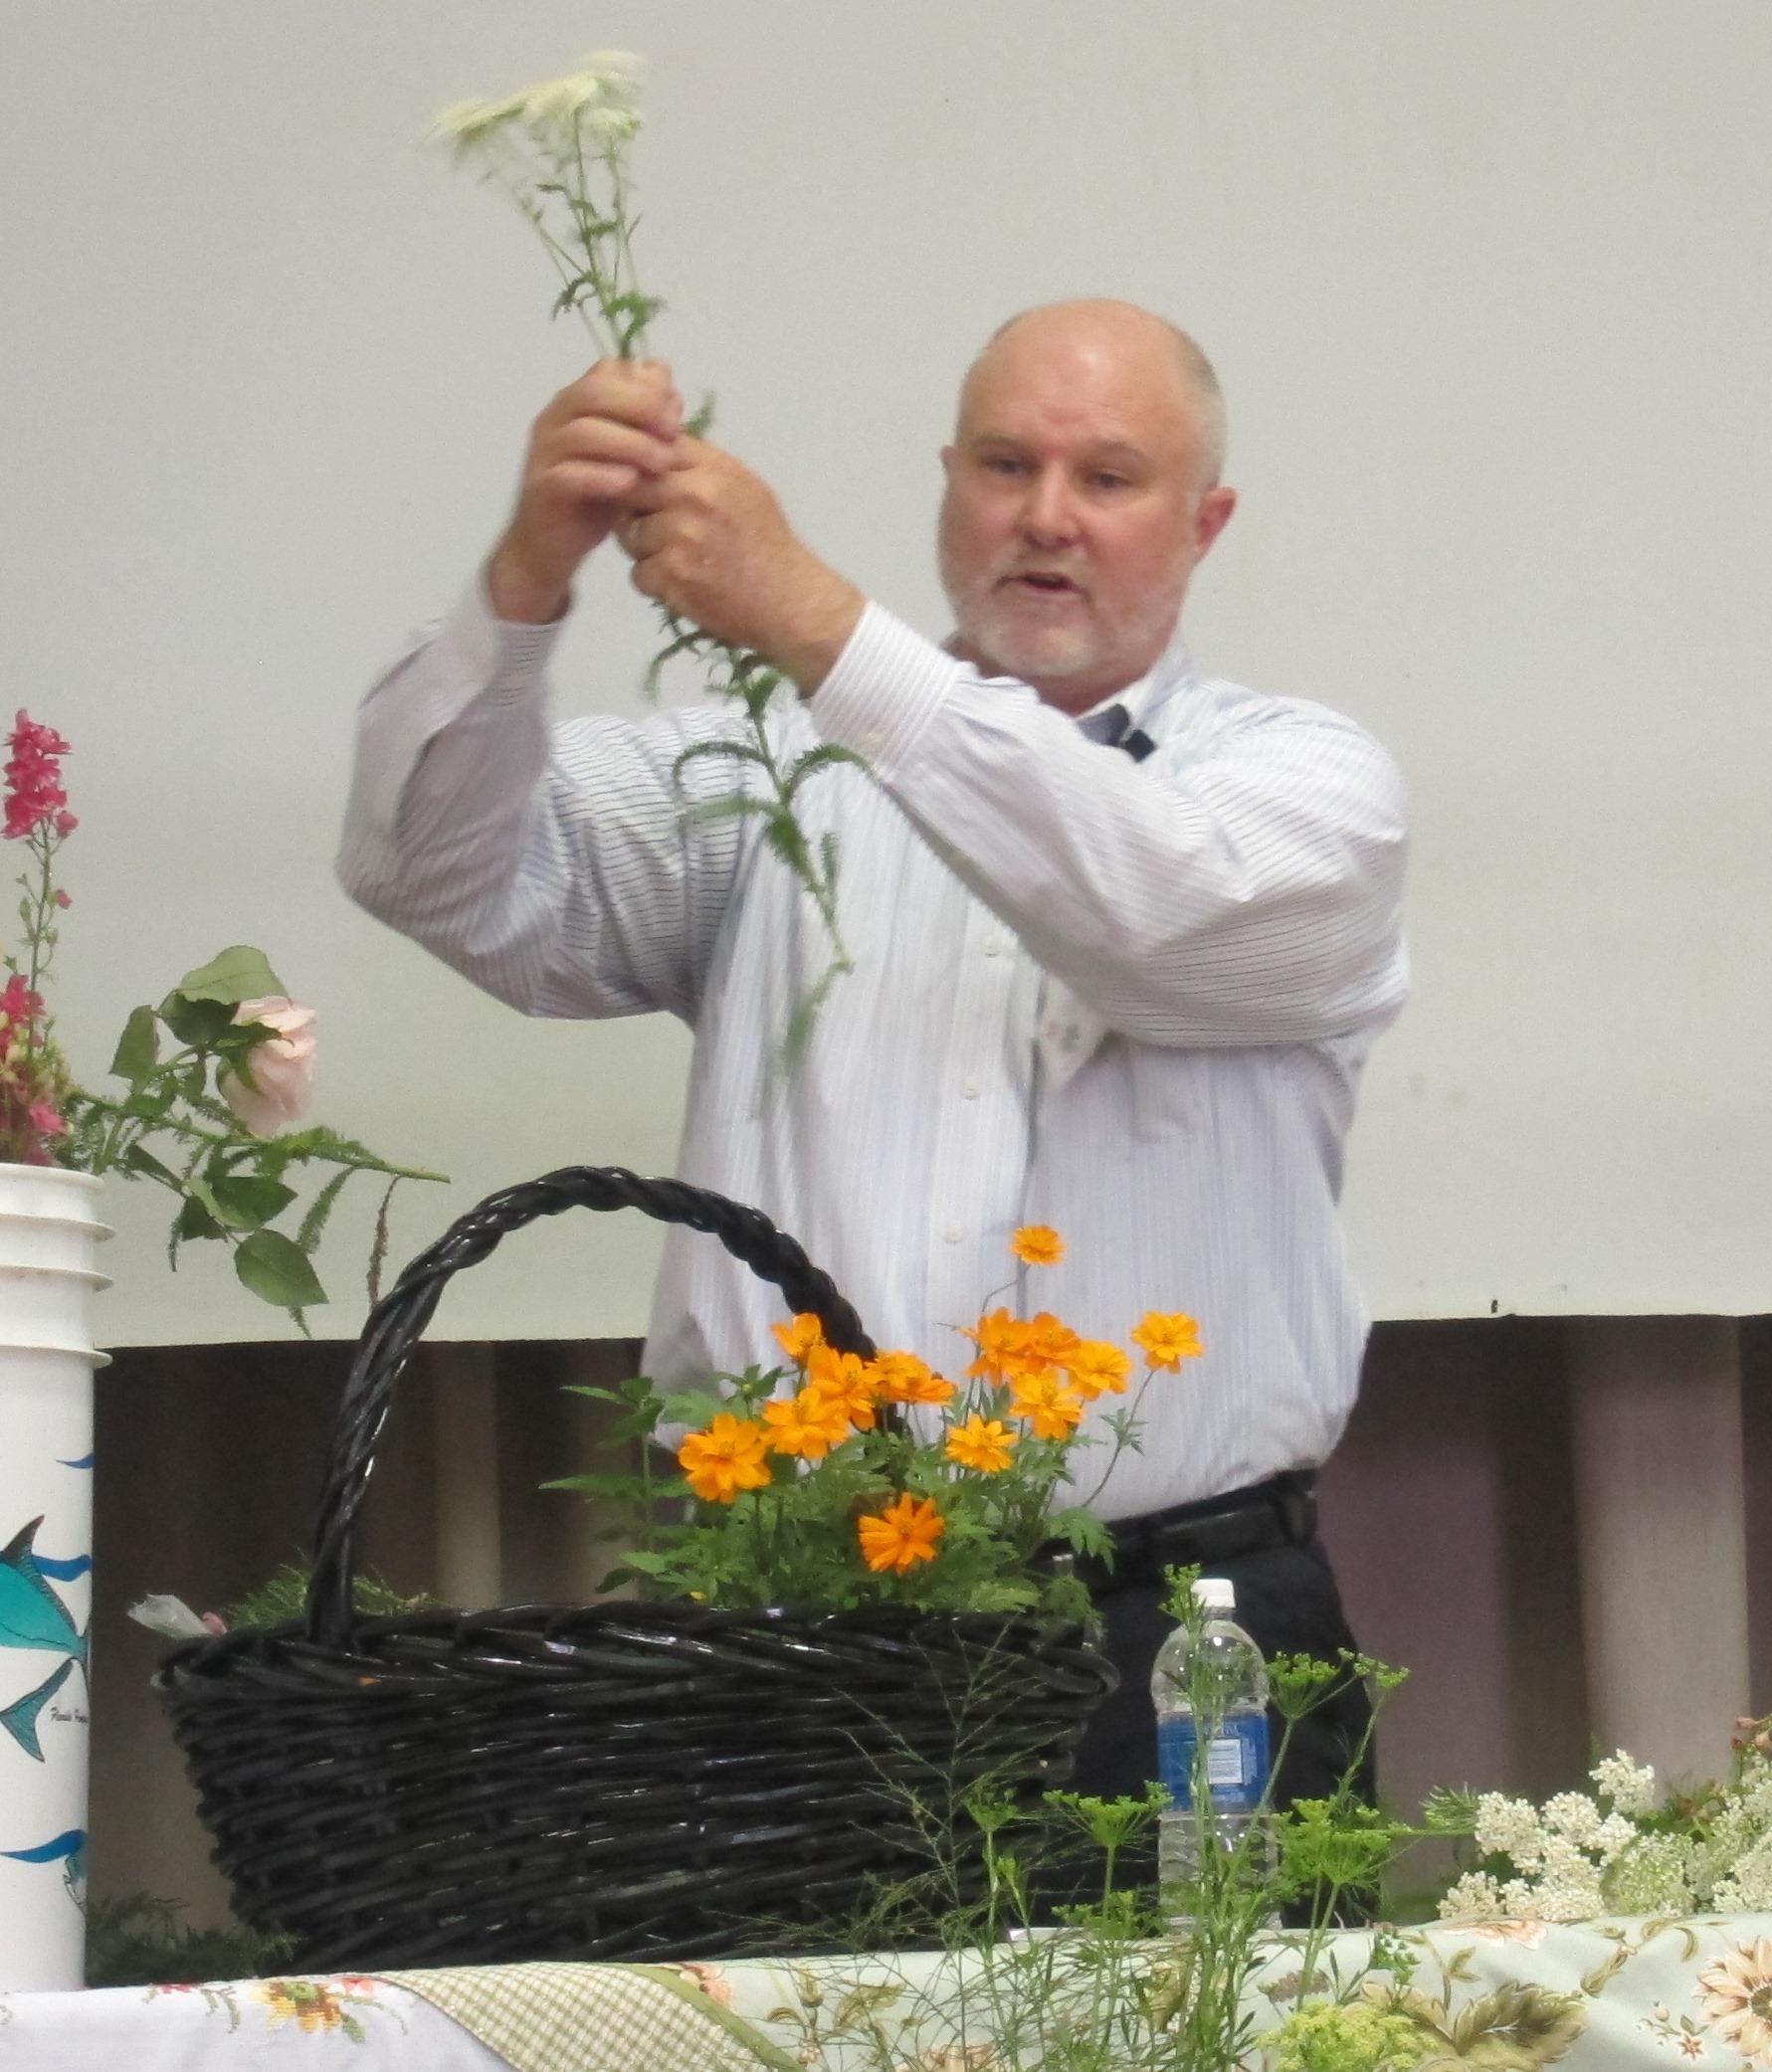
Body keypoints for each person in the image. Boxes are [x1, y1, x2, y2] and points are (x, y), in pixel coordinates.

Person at [338, 298, 1408, 1823]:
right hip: (793, 1623)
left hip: (1185, 1640)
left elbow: (1152, 904)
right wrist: (524, 585)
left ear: (1205, 522)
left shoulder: (1302, 781)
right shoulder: (762, 776)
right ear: (948, 481)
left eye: (1108, 478)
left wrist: (811, 618)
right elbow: (432, 874)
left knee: (1211, 1994)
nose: (1046, 516)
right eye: (1005, 465)